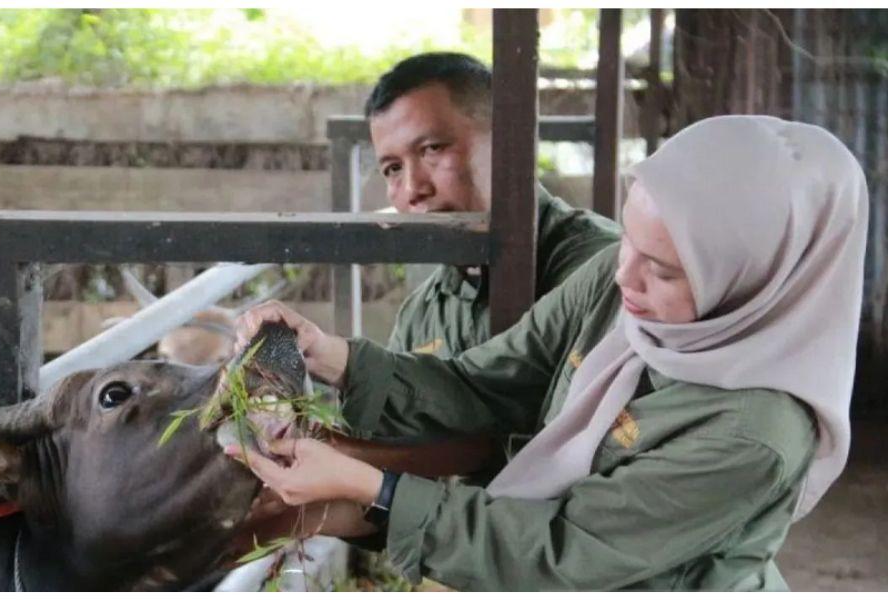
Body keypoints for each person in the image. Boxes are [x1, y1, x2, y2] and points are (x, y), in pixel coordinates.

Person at [228, 115, 868, 591]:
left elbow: (564, 552)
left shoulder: (753, 433)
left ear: (759, 279)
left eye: (665, 271)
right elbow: (485, 385)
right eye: (629, 243)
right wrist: (330, 354)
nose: (626, 279)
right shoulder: (613, 287)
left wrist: (372, 489)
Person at [367, 52, 619, 359]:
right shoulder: (422, 314)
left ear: (507, 142)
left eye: (432, 149)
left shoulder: (608, 270)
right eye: (393, 168)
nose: (412, 189)